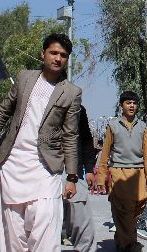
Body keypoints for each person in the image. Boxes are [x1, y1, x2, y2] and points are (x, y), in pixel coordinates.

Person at [0, 33, 82, 252]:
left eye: (63, 55)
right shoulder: (25, 78)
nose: (58, 58)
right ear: (42, 54)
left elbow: (70, 135)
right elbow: (3, 112)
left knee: (44, 230)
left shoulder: (72, 92)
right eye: (53, 53)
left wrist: (72, 177)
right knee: (14, 236)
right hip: (13, 164)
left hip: (46, 168)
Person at [95, 91, 147, 252]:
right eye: (128, 103)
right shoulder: (113, 125)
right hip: (118, 173)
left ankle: (122, 242)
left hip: (138, 174)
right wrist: (100, 179)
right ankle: (129, 245)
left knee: (135, 212)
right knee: (122, 211)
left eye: (134, 103)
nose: (132, 106)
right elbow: (105, 154)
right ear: (121, 105)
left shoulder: (142, 127)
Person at [63, 105, 97, 252]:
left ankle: (85, 248)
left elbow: (86, 140)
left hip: (74, 172)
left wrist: (89, 169)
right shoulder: (39, 102)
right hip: (48, 170)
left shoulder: (78, 108)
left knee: (80, 214)